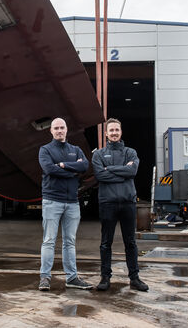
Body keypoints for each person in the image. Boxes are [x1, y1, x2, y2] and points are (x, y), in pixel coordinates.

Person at [92, 118, 148, 292]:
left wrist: (111, 169)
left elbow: (133, 171)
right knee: (105, 242)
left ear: (121, 132)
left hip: (128, 203)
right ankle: (105, 277)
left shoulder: (130, 152)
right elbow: (100, 176)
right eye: (111, 130)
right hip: (107, 203)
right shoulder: (99, 154)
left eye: (117, 130)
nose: (114, 133)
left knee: (130, 242)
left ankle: (134, 278)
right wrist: (123, 171)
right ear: (106, 133)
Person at [38, 117, 93, 291]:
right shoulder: (45, 150)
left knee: (69, 242)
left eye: (62, 127)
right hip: (52, 200)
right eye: (56, 128)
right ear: (51, 131)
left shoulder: (75, 150)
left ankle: (72, 278)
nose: (59, 130)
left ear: (67, 129)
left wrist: (62, 165)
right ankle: (45, 277)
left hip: (72, 202)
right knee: (49, 241)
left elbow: (84, 166)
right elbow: (49, 169)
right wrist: (72, 170)